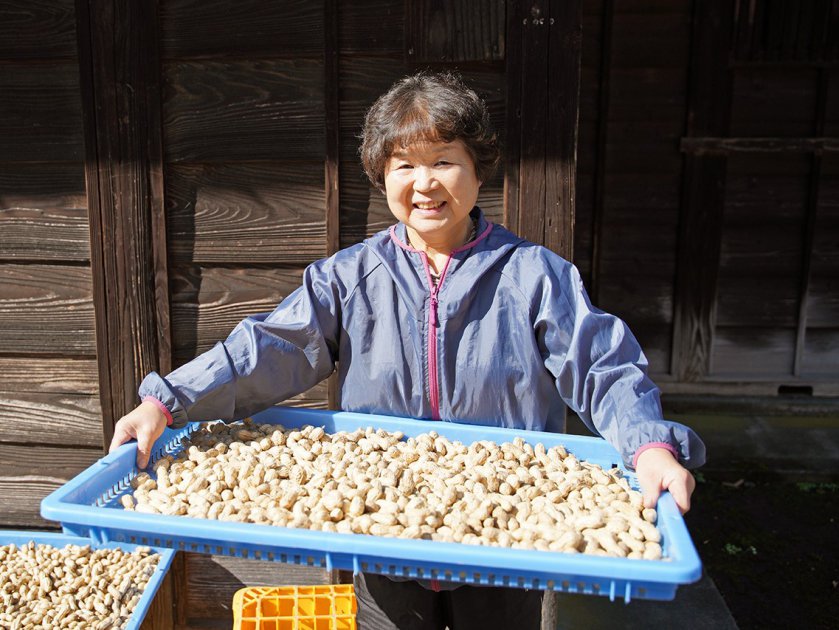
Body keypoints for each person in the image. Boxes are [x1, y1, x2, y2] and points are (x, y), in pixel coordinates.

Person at [110, 71, 705, 629]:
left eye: (444, 161)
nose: (425, 183)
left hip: (510, 537)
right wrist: (168, 400)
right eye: (405, 165)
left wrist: (647, 442)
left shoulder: (535, 276)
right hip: (382, 535)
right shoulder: (350, 277)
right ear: (381, 175)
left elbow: (599, 363)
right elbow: (269, 347)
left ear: (478, 171)